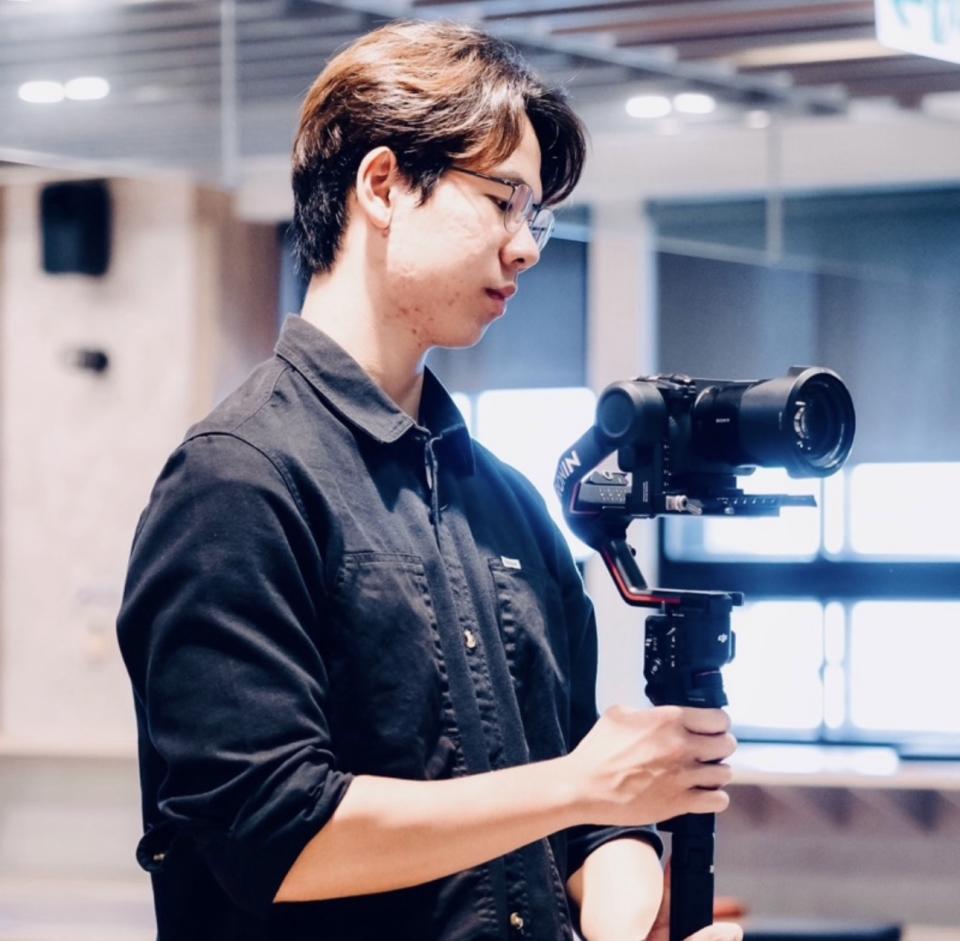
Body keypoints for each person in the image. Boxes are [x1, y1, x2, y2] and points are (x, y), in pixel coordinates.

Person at [117, 20, 740, 941]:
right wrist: (581, 784)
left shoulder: (510, 503)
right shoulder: (237, 481)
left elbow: (592, 813)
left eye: (537, 216)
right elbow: (270, 834)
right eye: (502, 201)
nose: (527, 247)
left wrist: (615, 874)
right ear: (382, 185)